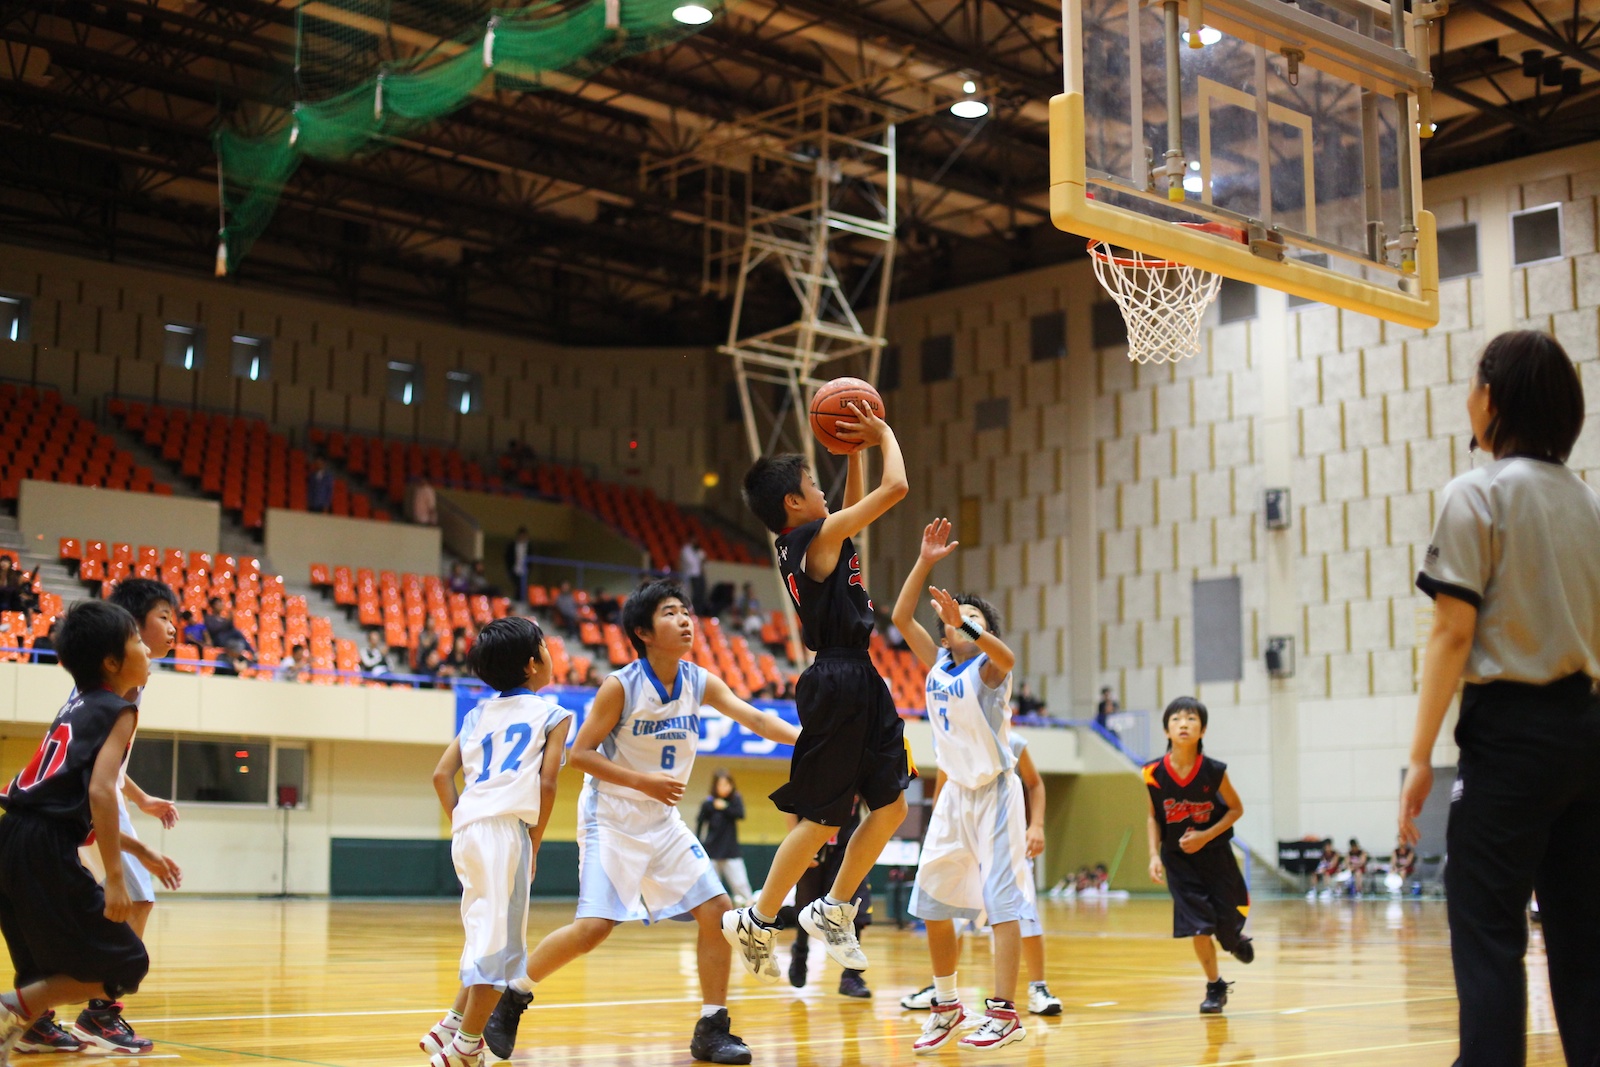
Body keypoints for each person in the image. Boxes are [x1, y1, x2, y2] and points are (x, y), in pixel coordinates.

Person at [480, 581, 799, 1066]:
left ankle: (712, 1027)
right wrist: (643, 782)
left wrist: (806, 741)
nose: (685, 619)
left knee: (717, 912)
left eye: (686, 611)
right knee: (593, 929)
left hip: (662, 820)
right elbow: (580, 754)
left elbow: (755, 719)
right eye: (671, 613)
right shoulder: (621, 686)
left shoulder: (699, 681)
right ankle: (513, 996)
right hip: (611, 817)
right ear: (643, 632)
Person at [1397, 331, 1600, 1067]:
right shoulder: (1591, 503)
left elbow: (1453, 632)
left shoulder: (1475, 493)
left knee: (1488, 933)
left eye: (1472, 385)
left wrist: (1421, 757)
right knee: (1585, 943)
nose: (1467, 399)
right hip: (1588, 737)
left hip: (1510, 738)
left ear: (1493, 398)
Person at [724, 399, 910, 986]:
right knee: (821, 818)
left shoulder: (815, 536)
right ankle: (758, 917)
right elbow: (896, 488)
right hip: (838, 679)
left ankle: (833, 908)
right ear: (792, 502)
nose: (822, 491)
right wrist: (882, 433)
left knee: (892, 806)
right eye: (812, 483)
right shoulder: (815, 539)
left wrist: (851, 453)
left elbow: (851, 509)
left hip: (860, 677)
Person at [0, 602, 181, 1061]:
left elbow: (66, 800)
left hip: (13, 834)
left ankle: (32, 1026)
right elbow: (101, 792)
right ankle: (13, 1009)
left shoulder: (75, 705)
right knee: (126, 961)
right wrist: (116, 878)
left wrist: (139, 849)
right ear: (112, 662)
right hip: (45, 844)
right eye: (137, 641)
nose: (146, 649)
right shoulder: (121, 710)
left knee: (39, 960)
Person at [890, 516, 1030, 1052]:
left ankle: (1005, 1013)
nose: (961, 623)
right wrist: (925, 561)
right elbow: (900, 616)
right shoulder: (937, 664)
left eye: (974, 620)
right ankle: (947, 1005)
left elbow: (1005, 655)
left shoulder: (988, 672)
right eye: (955, 619)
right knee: (931, 902)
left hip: (995, 794)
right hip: (953, 797)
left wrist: (966, 625)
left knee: (1002, 903)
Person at [418, 616, 572, 1067]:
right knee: (501, 949)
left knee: (486, 934)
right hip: (506, 832)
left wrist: (466, 819)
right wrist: (534, 844)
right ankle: (467, 1046)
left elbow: (441, 776)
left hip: (467, 830)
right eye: (545, 647)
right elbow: (547, 785)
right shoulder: (554, 715)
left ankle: (450, 1025)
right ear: (532, 664)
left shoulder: (476, 715)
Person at [58, 580, 184, 1054]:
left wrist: (142, 797)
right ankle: (100, 1012)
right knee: (134, 898)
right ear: (130, 628)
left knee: (87, 907)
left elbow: (106, 759)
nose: (172, 627)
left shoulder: (120, 682)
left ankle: (46, 1013)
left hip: (82, 797)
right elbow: (98, 773)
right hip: (86, 801)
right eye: (163, 617)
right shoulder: (122, 687)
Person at [901, 729, 1063, 1018]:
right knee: (951, 917)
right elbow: (942, 791)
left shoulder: (1011, 741)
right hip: (963, 841)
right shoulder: (950, 739)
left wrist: (1036, 825)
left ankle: (1038, 987)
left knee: (1023, 914)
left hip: (1003, 839)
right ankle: (942, 988)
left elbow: (1035, 783)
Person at [1144, 696, 1253, 1015]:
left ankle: (1234, 940)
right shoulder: (1152, 773)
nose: (1183, 724)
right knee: (1199, 926)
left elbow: (1236, 809)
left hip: (1216, 857)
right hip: (1179, 861)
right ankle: (1215, 986)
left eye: (1191, 719)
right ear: (1166, 730)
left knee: (1226, 927)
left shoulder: (1213, 771)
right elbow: (1153, 816)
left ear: (1202, 730)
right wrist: (1153, 855)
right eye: (1176, 719)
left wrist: (1205, 836)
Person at [784, 801, 873, 999]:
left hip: (847, 847)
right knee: (806, 906)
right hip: (813, 844)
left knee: (854, 907)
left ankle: (851, 976)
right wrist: (797, 845)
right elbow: (790, 808)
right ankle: (800, 951)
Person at [697, 771, 753, 907]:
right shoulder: (708, 803)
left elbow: (740, 814)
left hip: (731, 850)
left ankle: (749, 910)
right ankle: (712, 912)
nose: (725, 788)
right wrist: (699, 843)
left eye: (727, 784)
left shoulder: (735, 800)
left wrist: (725, 807)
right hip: (712, 850)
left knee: (740, 884)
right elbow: (700, 823)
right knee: (711, 886)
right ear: (715, 786)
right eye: (721, 784)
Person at [679, 535, 707, 615]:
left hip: (698, 575)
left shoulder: (698, 550)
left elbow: (703, 560)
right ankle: (689, 611)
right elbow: (689, 562)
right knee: (690, 594)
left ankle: (698, 612)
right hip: (689, 575)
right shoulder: (686, 550)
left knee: (699, 595)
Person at [505, 528, 530, 604]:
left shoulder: (528, 547)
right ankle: (517, 601)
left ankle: (520, 601)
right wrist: (509, 569)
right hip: (515, 569)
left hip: (524, 570)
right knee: (517, 585)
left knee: (522, 586)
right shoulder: (512, 546)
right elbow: (508, 558)